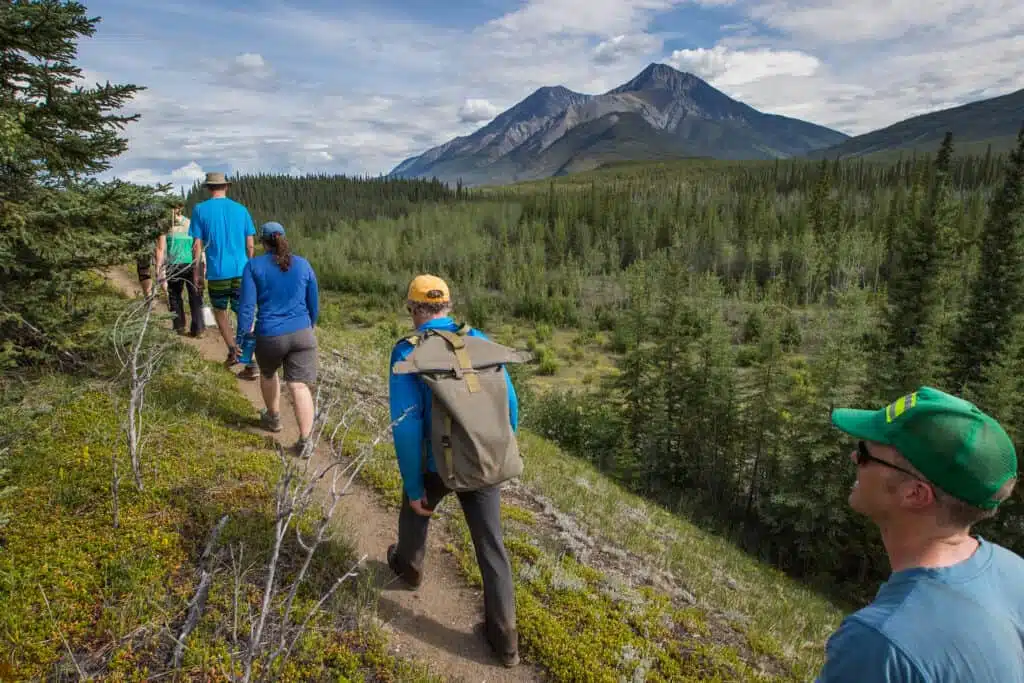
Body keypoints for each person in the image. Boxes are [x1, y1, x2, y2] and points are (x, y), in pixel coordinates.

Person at [817, 386, 1023, 683]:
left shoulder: (882, 644)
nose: (853, 456)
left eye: (864, 454)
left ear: (914, 494)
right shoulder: (1014, 571)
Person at [385, 275, 521, 668]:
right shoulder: (476, 338)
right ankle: (505, 641)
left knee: (415, 508)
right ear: (447, 306)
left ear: (413, 309)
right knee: (491, 546)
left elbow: (407, 426)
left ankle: (409, 566)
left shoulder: (407, 351)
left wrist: (413, 484)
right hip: (482, 459)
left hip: (435, 465)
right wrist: (497, 449)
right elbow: (509, 402)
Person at [235, 221, 319, 456]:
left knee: (269, 373)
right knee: (299, 385)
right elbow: (314, 302)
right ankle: (305, 442)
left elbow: (247, 307)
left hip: (270, 334)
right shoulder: (303, 264)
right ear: (284, 238)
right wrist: (308, 326)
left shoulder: (253, 266)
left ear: (263, 242)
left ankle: (273, 418)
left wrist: (243, 336)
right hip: (303, 333)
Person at [189, 171, 259, 379]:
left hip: (217, 272)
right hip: (242, 271)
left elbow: (197, 246)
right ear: (226, 187)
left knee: (220, 312)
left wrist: (198, 273)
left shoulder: (200, 210)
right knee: (244, 313)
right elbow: (250, 245)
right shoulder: (241, 209)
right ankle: (250, 360)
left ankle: (232, 351)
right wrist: (249, 266)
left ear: (209, 188)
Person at [155, 198, 205, 336]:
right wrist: (199, 265)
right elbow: (197, 245)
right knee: (194, 295)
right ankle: (198, 328)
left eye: (174, 207)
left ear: (180, 208)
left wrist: (159, 269)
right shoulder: (190, 223)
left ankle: (179, 327)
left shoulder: (164, 225)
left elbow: (160, 248)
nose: (172, 210)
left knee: (176, 296)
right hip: (189, 264)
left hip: (176, 265)